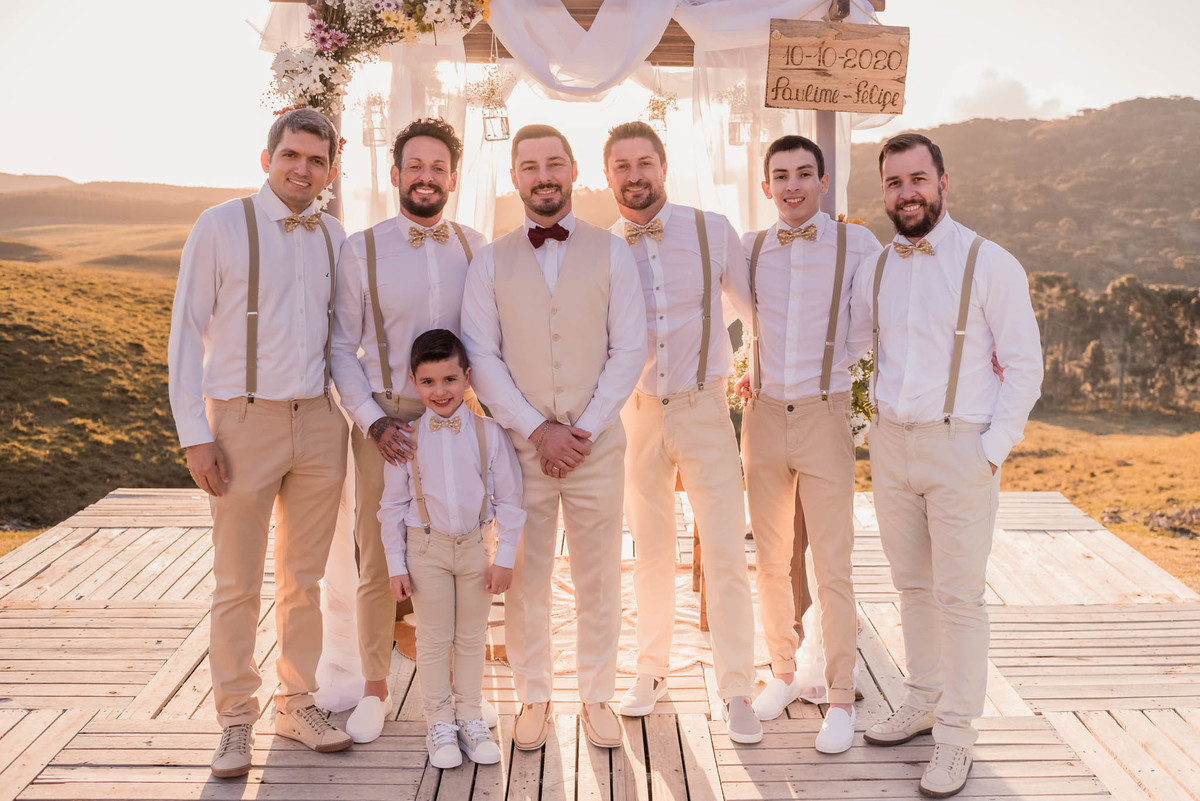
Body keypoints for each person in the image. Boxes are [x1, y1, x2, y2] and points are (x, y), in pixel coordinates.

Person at [850, 133, 1042, 798]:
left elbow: (1024, 365)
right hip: (892, 446)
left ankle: (957, 734)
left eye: (917, 179)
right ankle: (923, 700)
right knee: (911, 586)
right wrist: (865, 424)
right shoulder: (876, 268)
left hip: (962, 446)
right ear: (884, 191)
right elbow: (858, 349)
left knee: (960, 598)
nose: (906, 193)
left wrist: (991, 449)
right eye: (894, 182)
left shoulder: (990, 263)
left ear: (943, 183)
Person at [168, 108, 353, 778]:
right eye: (291, 156)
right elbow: (186, 333)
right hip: (242, 421)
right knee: (237, 581)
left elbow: (344, 336)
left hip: (320, 421)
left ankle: (296, 702)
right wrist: (195, 436)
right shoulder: (220, 225)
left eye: (316, 160)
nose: (302, 169)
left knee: (304, 578)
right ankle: (235, 720)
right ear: (267, 158)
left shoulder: (334, 235)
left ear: (330, 171)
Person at [460, 124, 647, 751]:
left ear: (573, 171)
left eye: (554, 163)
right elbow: (481, 357)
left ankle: (596, 696)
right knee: (524, 576)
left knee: (600, 577)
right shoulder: (489, 260)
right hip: (520, 449)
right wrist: (539, 430)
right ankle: (533, 696)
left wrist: (582, 430)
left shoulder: (613, 252)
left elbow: (629, 349)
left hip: (597, 447)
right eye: (530, 166)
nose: (543, 176)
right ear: (515, 177)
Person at [330, 118, 491, 743]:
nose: (427, 177)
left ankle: (462, 696)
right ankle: (374, 689)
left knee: (462, 552)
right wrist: (373, 422)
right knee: (378, 557)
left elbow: (487, 341)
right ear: (395, 174)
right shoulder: (361, 249)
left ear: (453, 177)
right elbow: (341, 348)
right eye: (415, 167)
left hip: (459, 421)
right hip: (387, 424)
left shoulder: (476, 247)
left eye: (438, 168)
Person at [601, 121, 762, 745]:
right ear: (608, 176)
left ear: (663, 167)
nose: (634, 175)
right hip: (636, 413)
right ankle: (651, 669)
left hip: (704, 409)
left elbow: (753, 313)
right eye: (622, 166)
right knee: (649, 551)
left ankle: (737, 687)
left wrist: (753, 371)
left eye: (644, 162)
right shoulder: (603, 247)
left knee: (724, 550)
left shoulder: (711, 229)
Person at [733, 135, 883, 753]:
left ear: (823, 181)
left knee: (832, 564)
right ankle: (783, 672)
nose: (791, 185)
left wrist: (838, 372)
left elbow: (872, 321)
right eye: (780, 175)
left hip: (824, 412)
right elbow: (730, 312)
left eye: (803, 174)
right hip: (763, 414)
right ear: (766, 186)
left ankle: (842, 697)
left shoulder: (858, 244)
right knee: (771, 559)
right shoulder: (749, 248)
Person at [378, 329, 524, 768]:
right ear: (414, 382)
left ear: (467, 377)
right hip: (426, 550)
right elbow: (392, 507)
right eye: (428, 382)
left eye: (449, 379)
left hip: (476, 547)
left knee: (472, 637)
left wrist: (504, 558)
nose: (439, 391)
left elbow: (510, 501)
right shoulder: (407, 439)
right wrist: (395, 565)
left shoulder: (489, 434)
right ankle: (439, 722)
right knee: (434, 638)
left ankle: (470, 717)